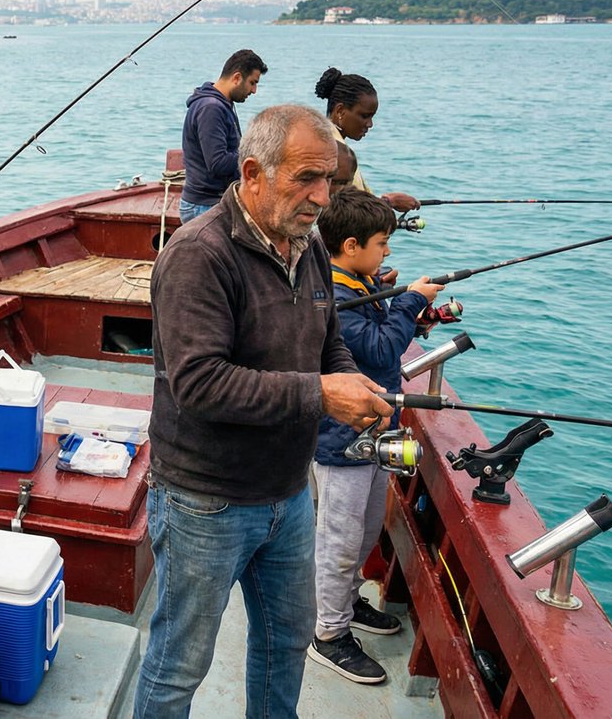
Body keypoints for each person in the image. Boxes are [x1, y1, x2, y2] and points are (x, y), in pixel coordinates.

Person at [134, 104, 395, 718]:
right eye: (306, 178)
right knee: (180, 664)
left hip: (287, 491)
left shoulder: (304, 243)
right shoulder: (199, 255)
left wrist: (350, 382)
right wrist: (322, 396)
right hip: (206, 500)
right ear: (253, 172)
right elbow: (199, 383)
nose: (322, 196)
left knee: (286, 642)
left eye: (328, 179)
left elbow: (328, 338)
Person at [308, 188, 442, 685]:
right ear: (348, 245)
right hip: (340, 442)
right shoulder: (338, 299)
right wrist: (408, 303)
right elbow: (382, 350)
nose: (388, 251)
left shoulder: (357, 281)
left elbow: (380, 335)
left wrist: (403, 306)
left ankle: (344, 604)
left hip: (370, 434)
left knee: (364, 533)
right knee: (340, 540)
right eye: (382, 242)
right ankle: (328, 634)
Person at [178, 49, 268, 223]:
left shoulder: (222, 104)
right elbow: (217, 163)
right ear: (236, 78)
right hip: (204, 206)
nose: (254, 90)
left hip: (212, 202)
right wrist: (254, 155)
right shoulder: (211, 108)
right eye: (252, 83)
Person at [314, 67, 419, 212]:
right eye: (364, 116)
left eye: (372, 117)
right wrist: (387, 202)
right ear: (340, 111)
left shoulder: (323, 139)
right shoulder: (332, 151)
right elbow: (338, 209)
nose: (370, 124)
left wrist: (387, 202)